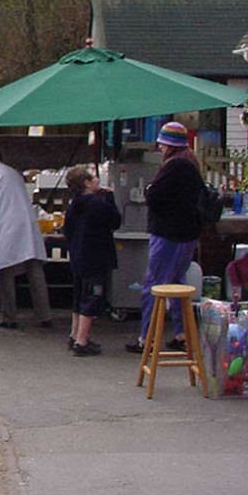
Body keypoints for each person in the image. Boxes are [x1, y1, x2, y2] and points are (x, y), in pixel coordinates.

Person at [126, 121, 204, 353]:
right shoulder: (191, 164)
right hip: (187, 234)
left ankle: (147, 338)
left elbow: (154, 196)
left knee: (154, 285)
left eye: (162, 143)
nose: (159, 147)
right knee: (177, 282)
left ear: (170, 145)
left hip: (168, 234)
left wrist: (148, 189)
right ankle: (181, 334)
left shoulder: (174, 166)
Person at [0, 143, 53, 330]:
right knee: (34, 269)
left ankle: (9, 316)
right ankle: (44, 314)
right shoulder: (13, 172)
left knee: (5, 269)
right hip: (27, 222)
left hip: (8, 224)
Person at [63, 167, 121, 356]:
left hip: (78, 256)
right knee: (93, 295)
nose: (98, 180)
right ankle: (82, 341)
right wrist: (110, 198)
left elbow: (67, 230)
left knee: (79, 296)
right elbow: (115, 221)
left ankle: (74, 334)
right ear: (87, 183)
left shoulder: (74, 205)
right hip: (97, 256)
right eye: (94, 177)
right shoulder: (98, 204)